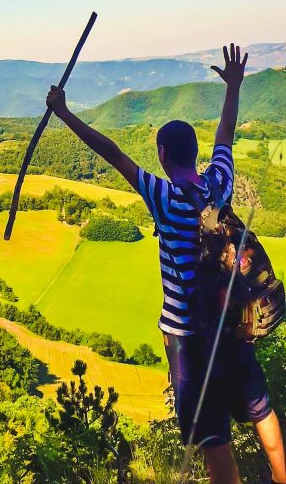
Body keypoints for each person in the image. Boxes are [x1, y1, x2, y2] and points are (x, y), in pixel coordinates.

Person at [46, 43, 285, 484]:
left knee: (214, 441)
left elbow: (112, 152)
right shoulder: (219, 182)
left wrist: (63, 113)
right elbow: (226, 135)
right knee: (260, 410)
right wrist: (234, 85)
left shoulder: (163, 197)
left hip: (189, 341)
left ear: (161, 154)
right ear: (194, 152)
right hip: (232, 327)